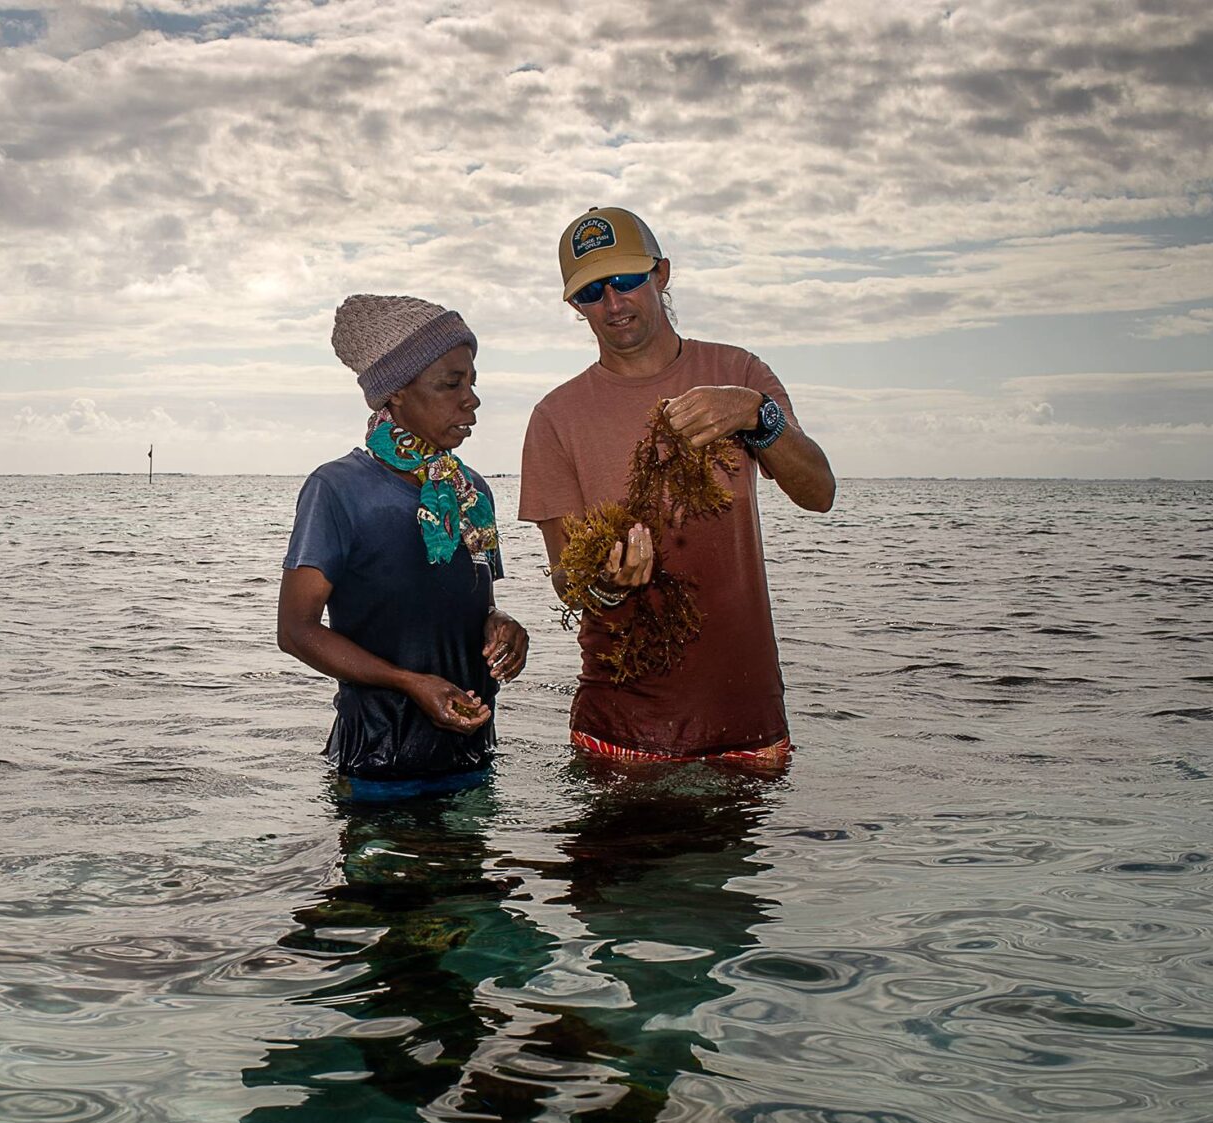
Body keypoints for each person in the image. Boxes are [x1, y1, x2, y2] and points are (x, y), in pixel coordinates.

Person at [520, 207, 836, 766]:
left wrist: (757, 415)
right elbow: (568, 581)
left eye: (626, 280)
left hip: (748, 716)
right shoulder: (555, 418)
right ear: (575, 306)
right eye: (592, 292)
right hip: (621, 727)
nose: (612, 304)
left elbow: (819, 493)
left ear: (661, 274)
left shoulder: (740, 374)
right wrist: (608, 586)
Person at [280, 294, 530, 800]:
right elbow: (296, 631)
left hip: (473, 762)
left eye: (472, 382)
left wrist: (502, 625)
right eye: (451, 384)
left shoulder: (471, 493)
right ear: (394, 393)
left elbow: (476, 604)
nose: (472, 400)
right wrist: (408, 682)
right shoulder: (338, 489)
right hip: (378, 769)